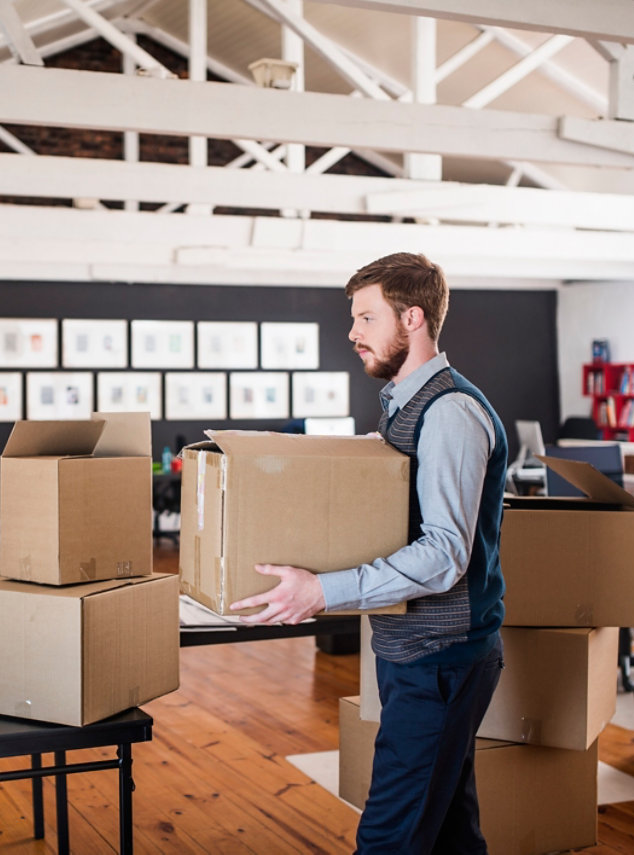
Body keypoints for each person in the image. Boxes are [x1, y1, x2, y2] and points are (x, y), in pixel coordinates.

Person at [228, 252, 507, 854]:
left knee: (389, 838)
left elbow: (444, 555)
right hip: (419, 652)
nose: (352, 332)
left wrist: (322, 589)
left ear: (412, 318)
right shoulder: (403, 407)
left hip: (442, 656)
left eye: (365, 317)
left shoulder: (450, 412)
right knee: (450, 831)